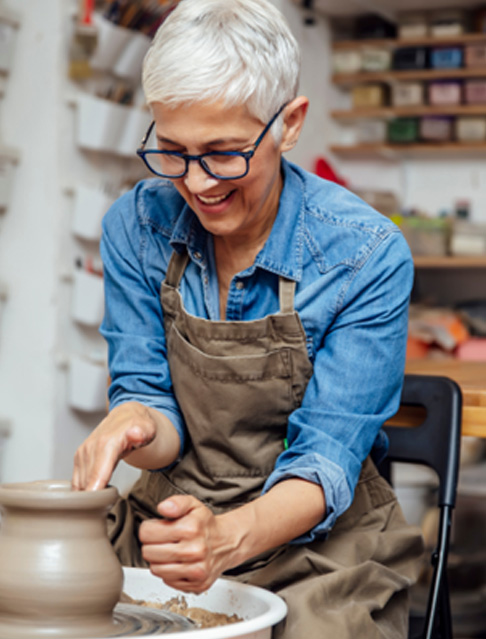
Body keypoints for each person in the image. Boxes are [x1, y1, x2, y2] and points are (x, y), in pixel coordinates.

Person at [72, 0, 424, 636]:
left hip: (318, 544)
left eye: (223, 153)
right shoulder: (138, 225)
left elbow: (325, 461)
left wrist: (227, 540)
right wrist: (132, 421)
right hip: (172, 520)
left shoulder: (365, 254)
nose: (197, 182)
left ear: (289, 124)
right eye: (173, 151)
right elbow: (157, 405)